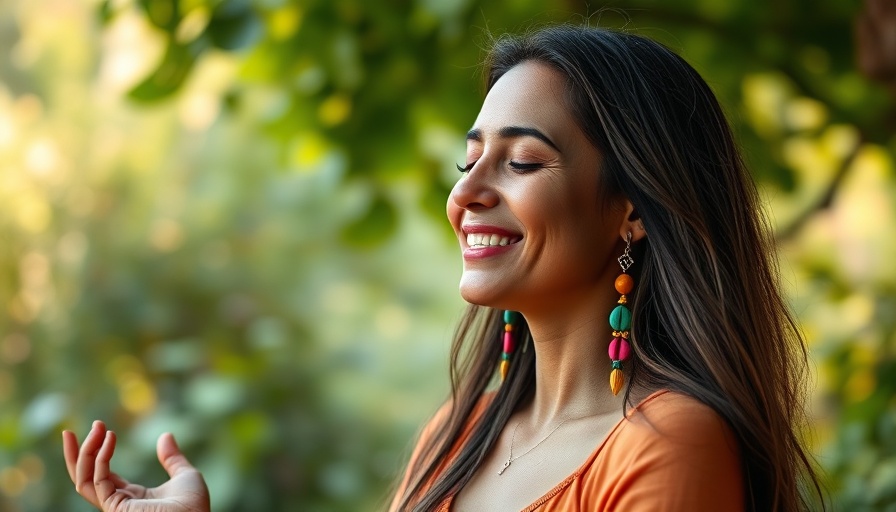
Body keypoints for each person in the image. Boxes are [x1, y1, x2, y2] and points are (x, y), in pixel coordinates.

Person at [62, 24, 824, 511]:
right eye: (468, 161)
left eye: (523, 161)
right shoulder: (455, 440)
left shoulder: (669, 444)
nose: (465, 194)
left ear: (632, 206)